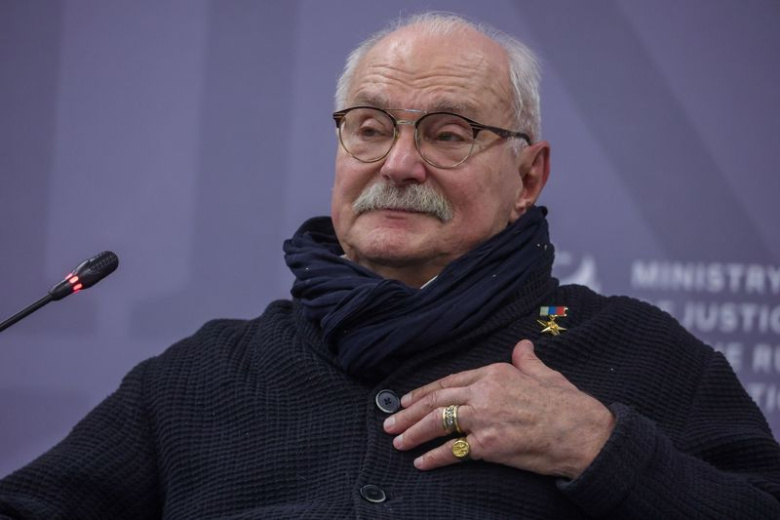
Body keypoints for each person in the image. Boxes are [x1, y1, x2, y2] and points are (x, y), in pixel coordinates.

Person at [1, 11, 779, 520]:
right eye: (370, 128)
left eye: (448, 134)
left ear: (528, 178)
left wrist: (602, 448)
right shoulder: (201, 375)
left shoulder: (640, 355)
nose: (399, 164)